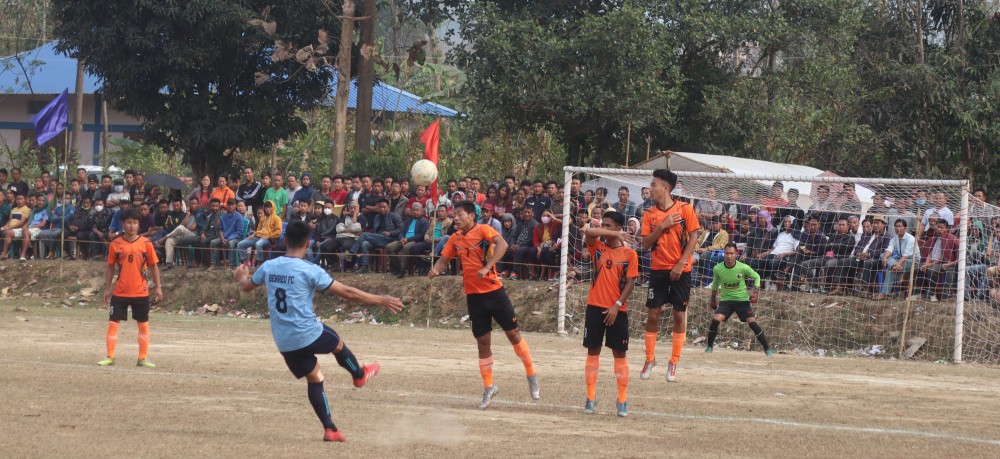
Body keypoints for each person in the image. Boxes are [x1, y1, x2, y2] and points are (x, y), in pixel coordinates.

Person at [234, 221, 403, 442]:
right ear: (308, 244)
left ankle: (330, 429)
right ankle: (359, 375)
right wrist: (381, 299)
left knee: (315, 378)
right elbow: (347, 292)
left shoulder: (269, 266)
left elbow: (246, 285)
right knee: (338, 344)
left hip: (284, 340)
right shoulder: (310, 270)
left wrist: (240, 276)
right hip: (307, 332)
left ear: (285, 241)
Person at [427, 201, 540, 409]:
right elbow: (444, 260)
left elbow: (503, 245)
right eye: (454, 215)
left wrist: (488, 266)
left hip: (495, 292)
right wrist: (435, 270)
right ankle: (489, 387)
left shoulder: (484, 230)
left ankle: (531, 374)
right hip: (473, 296)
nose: (456, 218)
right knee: (483, 343)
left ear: (471, 215)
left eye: (459, 214)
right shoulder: (455, 238)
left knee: (513, 334)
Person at [639, 169, 701, 382]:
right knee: (653, 314)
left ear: (665, 187)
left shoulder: (685, 209)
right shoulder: (649, 214)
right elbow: (645, 243)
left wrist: (682, 262)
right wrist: (663, 226)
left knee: (679, 315)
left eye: (654, 184)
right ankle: (649, 358)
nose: (651, 188)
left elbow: (694, 237)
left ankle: (673, 362)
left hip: (681, 269)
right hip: (658, 269)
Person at [580, 211, 638, 417]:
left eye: (609, 225)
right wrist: (609, 231)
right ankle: (590, 397)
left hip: (618, 309)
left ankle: (622, 399)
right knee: (592, 351)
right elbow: (588, 231)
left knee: (619, 354)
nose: (604, 228)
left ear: (619, 228)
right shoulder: (597, 247)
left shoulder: (630, 254)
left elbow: (631, 283)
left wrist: (617, 304)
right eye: (602, 224)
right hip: (594, 306)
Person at [98, 209, 164, 368]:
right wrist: (107, 289)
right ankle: (110, 356)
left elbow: (154, 267)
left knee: (143, 324)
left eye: (135, 222)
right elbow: (110, 267)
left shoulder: (146, 244)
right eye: (128, 222)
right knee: (113, 323)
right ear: (123, 224)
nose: (132, 226)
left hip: (141, 292)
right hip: (120, 291)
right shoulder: (115, 244)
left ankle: (142, 358)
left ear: (139, 224)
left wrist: (158, 288)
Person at [704, 243, 773, 355]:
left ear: (736, 254)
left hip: (742, 300)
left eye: (731, 253)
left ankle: (767, 349)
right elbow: (715, 284)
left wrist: (755, 293)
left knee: (752, 322)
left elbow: (757, 277)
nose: (729, 256)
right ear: (724, 254)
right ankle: (709, 347)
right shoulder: (717, 268)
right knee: (716, 319)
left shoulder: (743, 267)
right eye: (727, 253)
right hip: (726, 301)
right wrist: (712, 299)